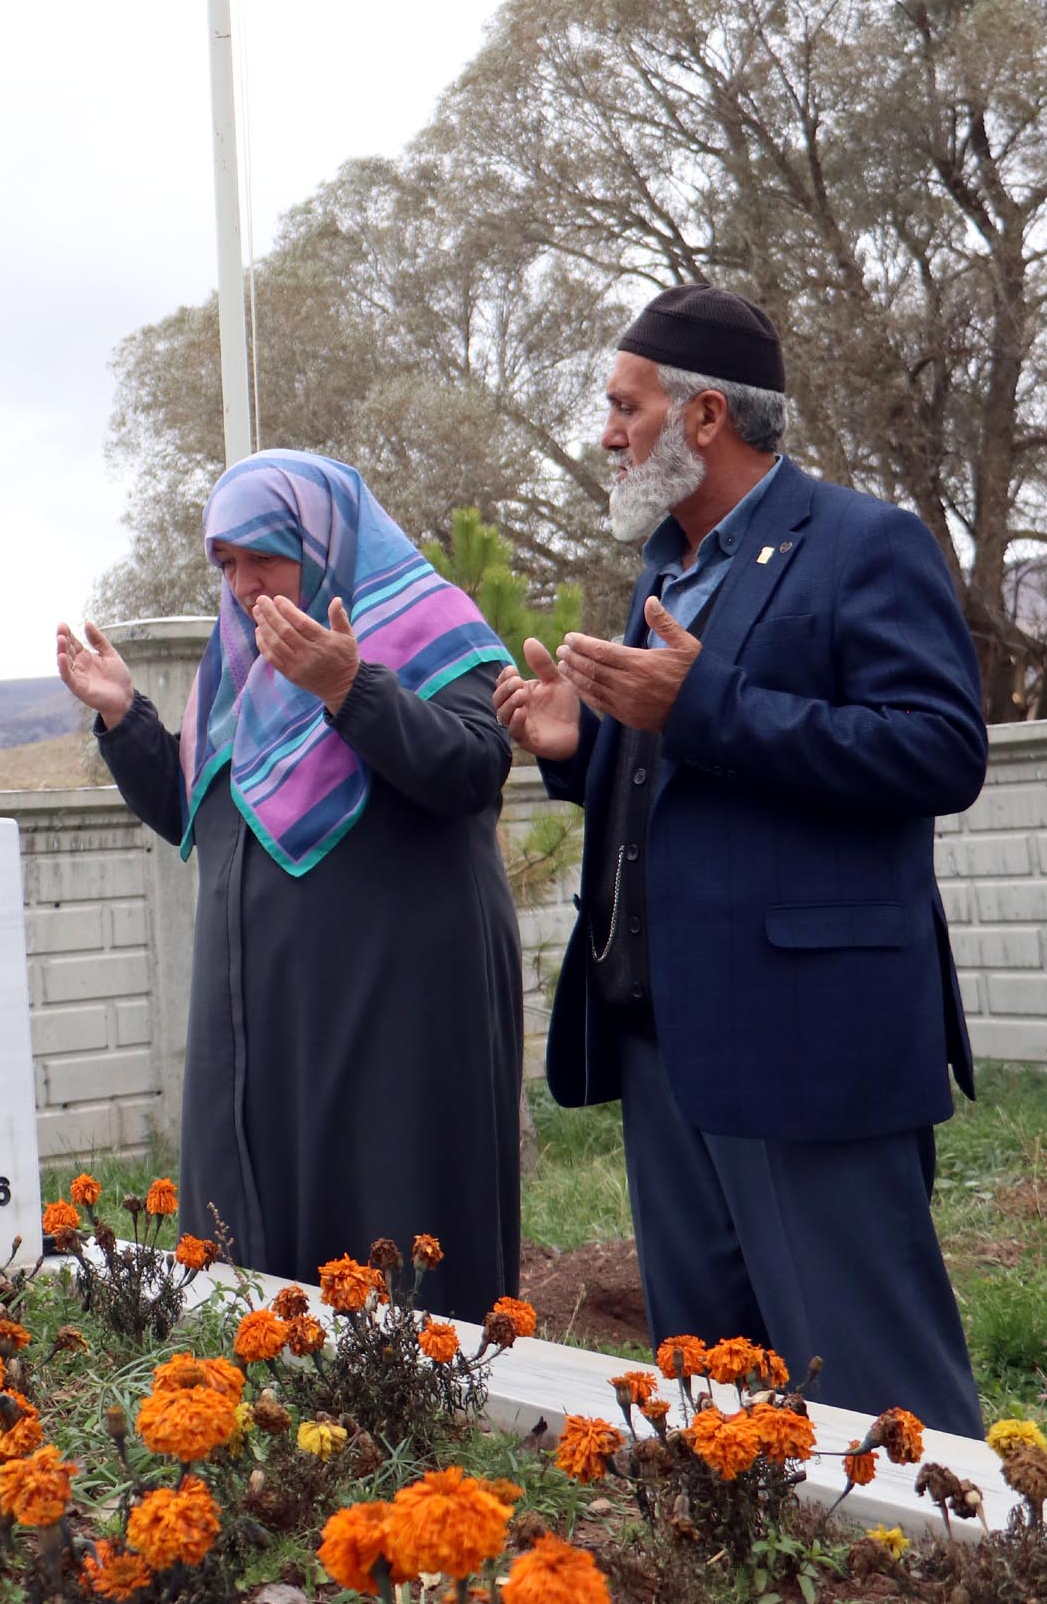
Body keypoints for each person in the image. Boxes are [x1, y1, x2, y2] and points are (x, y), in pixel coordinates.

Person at [494, 284, 987, 1434]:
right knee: (712, 1397)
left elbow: (939, 750)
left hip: (809, 1042)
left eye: (626, 406)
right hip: (667, 1043)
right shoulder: (665, 571)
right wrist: (585, 746)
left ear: (705, 415)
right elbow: (684, 765)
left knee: (878, 1399)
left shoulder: (866, 544)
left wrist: (705, 703)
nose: (607, 432)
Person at [57, 448, 524, 1321]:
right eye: (226, 564)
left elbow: (473, 768)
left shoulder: (429, 626)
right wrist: (125, 718)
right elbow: (201, 813)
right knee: (258, 1260)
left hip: (394, 1001)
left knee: (390, 1222)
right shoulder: (237, 663)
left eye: (262, 557)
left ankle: (410, 1414)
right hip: (258, 1015)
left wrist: (349, 686)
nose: (242, 585)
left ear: (320, 540)